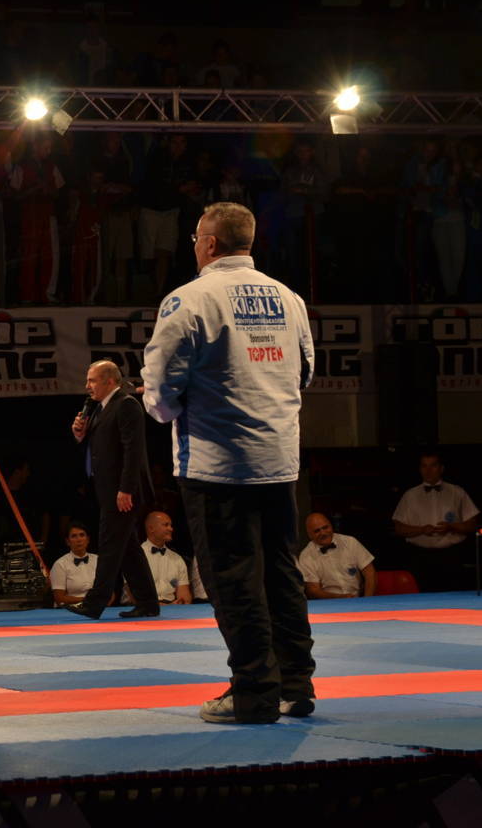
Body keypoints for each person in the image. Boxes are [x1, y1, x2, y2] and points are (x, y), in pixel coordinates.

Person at [141, 200, 317, 724]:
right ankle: (294, 686)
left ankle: (254, 693)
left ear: (210, 244)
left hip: (217, 465)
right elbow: (305, 372)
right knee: (281, 574)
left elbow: (160, 388)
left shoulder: (190, 299)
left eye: (196, 237)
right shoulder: (289, 298)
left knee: (234, 580)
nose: (194, 246)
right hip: (279, 461)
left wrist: (166, 411)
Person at [65, 360, 159, 619]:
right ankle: (148, 603)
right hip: (108, 488)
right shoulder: (100, 407)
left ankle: (94, 602)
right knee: (127, 548)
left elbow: (133, 450)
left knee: (109, 544)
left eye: (92, 380)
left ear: (109, 381)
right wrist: (79, 434)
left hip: (123, 491)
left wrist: (126, 489)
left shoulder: (126, 404)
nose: (87, 386)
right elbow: (101, 446)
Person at [391, 452, 478, 592]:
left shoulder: (457, 492)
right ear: (420, 469)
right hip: (419, 557)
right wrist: (421, 530)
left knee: (453, 597)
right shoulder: (410, 495)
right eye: (424, 466)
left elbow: (472, 524)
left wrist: (452, 526)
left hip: (451, 556)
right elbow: (398, 528)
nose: (428, 470)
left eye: (433, 466)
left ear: (441, 468)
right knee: (421, 598)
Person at [298, 513, 376, 599]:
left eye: (325, 527)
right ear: (309, 535)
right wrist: (340, 597)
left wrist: (367, 600)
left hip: (358, 599)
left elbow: (369, 572)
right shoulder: (306, 556)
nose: (323, 533)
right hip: (329, 603)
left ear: (331, 526)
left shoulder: (350, 542)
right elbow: (313, 590)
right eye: (317, 531)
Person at [124, 511, 192, 605]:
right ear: (151, 528)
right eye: (166, 525)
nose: (171, 529)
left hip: (172, 609)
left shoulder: (177, 559)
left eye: (171, 525)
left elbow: (184, 595)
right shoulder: (135, 556)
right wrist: (157, 606)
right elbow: (132, 592)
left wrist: (179, 604)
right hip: (141, 608)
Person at [49, 524, 98, 608]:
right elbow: (59, 598)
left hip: (97, 609)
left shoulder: (98, 560)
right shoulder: (60, 564)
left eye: (82, 535)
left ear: (88, 539)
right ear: (68, 542)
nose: (79, 539)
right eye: (74, 536)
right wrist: (87, 600)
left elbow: (110, 592)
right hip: (69, 610)